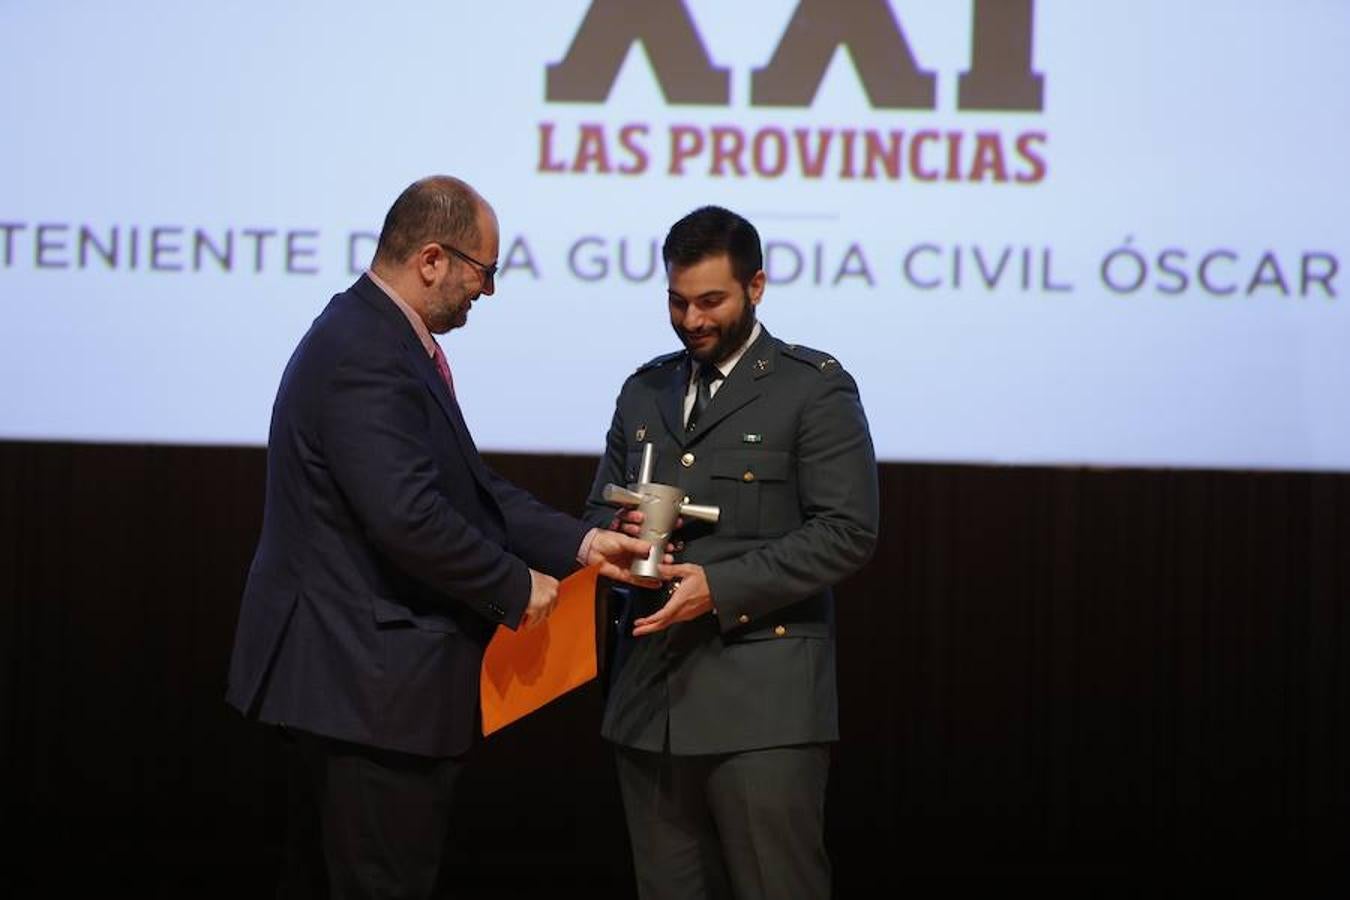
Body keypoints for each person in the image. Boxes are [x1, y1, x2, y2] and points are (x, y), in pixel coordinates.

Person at [225, 175, 651, 899]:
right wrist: (516, 587)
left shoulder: (376, 338)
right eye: (484, 271)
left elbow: (470, 489)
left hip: (358, 688)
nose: (488, 291)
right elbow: (407, 516)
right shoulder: (366, 351)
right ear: (431, 259)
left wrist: (582, 545)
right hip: (363, 690)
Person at [584, 205, 880, 900]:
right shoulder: (644, 388)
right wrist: (619, 539)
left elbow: (848, 531)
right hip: (649, 701)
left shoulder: (813, 389)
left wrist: (720, 586)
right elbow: (599, 507)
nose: (693, 320)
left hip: (763, 703)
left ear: (757, 287)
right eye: (677, 302)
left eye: (711, 300)